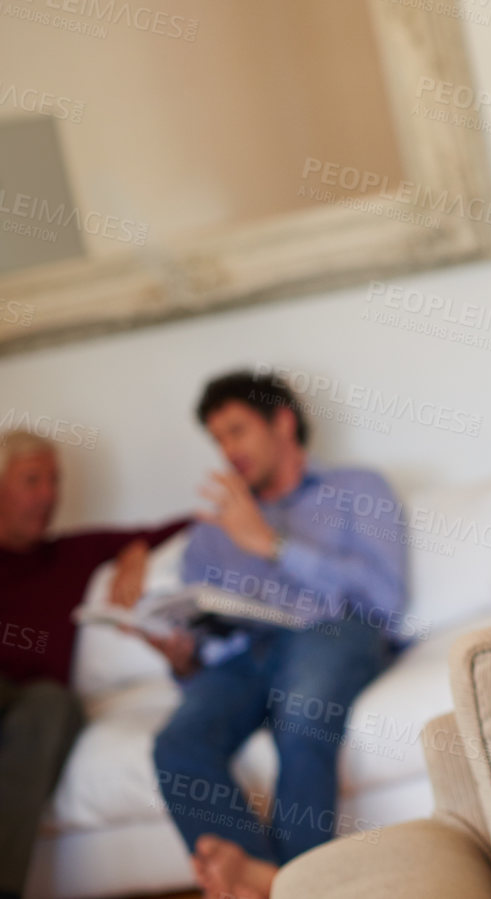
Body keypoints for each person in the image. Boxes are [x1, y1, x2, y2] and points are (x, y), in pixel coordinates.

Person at [147, 371, 409, 899]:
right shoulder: (210, 530)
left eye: (237, 431)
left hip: (333, 633)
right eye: (218, 439)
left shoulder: (357, 489)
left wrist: (273, 544)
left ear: (282, 422)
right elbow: (204, 624)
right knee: (178, 742)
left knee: (303, 709)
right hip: (245, 656)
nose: (228, 450)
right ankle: (268, 884)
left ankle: (289, 885)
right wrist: (182, 657)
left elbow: (385, 597)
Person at [0, 428, 189, 899]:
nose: (49, 495)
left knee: (54, 706)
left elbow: (184, 524)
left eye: (54, 481)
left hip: (38, 704)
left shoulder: (69, 554)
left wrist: (135, 552)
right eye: (32, 480)